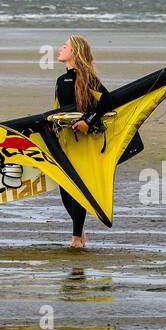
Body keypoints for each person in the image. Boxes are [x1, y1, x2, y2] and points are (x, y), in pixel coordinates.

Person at [51, 36, 108, 249]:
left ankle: (76, 238)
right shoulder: (60, 80)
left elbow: (108, 101)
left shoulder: (88, 78)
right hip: (65, 141)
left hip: (83, 142)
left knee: (77, 188)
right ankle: (80, 229)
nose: (60, 48)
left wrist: (88, 122)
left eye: (64, 46)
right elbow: (58, 109)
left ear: (75, 53)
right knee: (64, 187)